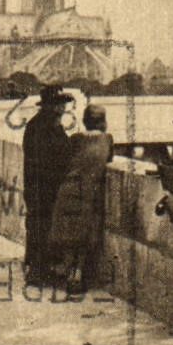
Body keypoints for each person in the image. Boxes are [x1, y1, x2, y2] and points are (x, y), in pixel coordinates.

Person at [48, 103, 114, 295]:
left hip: (69, 188)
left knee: (70, 234)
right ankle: (77, 273)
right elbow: (108, 159)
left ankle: (70, 273)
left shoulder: (76, 138)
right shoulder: (107, 139)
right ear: (103, 122)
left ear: (85, 121)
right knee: (85, 234)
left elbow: (63, 161)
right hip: (89, 191)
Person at [22, 84, 72, 285]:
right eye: (59, 104)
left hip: (40, 185)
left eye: (63, 104)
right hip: (42, 186)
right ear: (50, 106)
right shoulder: (45, 126)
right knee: (41, 226)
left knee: (39, 226)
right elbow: (52, 156)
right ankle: (38, 272)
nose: (63, 108)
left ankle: (37, 268)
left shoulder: (41, 124)